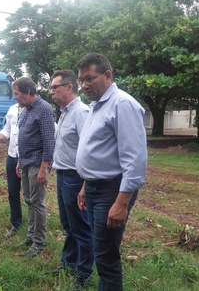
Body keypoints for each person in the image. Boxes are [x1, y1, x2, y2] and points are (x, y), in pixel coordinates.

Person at [75, 53, 147, 291]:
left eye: (89, 79)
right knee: (100, 249)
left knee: (105, 256)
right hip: (95, 188)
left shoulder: (122, 104)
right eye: (80, 80)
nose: (84, 85)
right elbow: (99, 152)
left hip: (112, 190)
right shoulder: (97, 106)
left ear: (107, 75)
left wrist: (121, 203)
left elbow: (134, 159)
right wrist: (86, 185)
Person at [50, 70, 93, 286]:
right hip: (62, 175)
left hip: (75, 178)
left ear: (69, 87)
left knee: (81, 227)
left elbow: (89, 151)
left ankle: (84, 273)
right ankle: (69, 261)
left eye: (55, 87)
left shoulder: (81, 112)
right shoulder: (64, 112)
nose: (52, 92)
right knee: (68, 224)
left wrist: (86, 183)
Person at [13, 77, 55, 257]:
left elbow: (49, 141)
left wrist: (44, 167)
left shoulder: (44, 109)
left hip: (38, 163)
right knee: (29, 200)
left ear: (28, 92)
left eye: (17, 94)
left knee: (37, 203)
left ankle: (39, 242)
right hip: (26, 162)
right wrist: (19, 161)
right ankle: (30, 236)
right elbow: (22, 137)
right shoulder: (25, 110)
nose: (15, 97)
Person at [0, 103, 24, 238]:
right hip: (12, 156)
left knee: (31, 195)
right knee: (12, 191)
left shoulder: (34, 108)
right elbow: (7, 129)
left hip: (27, 157)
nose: (15, 96)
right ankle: (16, 223)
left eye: (17, 93)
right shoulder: (13, 108)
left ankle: (35, 228)